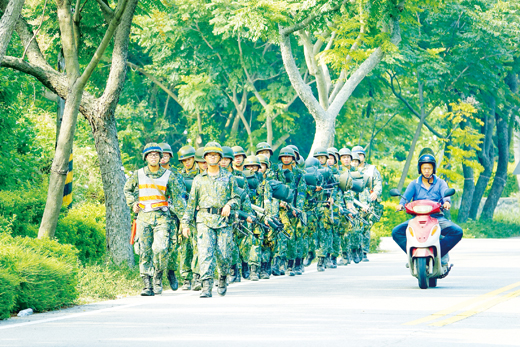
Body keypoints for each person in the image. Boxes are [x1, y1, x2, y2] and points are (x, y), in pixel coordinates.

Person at [124, 143, 186, 296]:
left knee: (161, 249)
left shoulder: (168, 175)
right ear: (145, 157)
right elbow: (127, 189)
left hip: (162, 217)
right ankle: (147, 284)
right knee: (144, 251)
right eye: (150, 154)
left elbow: (178, 199)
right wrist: (133, 203)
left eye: (156, 154)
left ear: (160, 157)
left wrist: (184, 221)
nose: (153, 157)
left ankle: (158, 275)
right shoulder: (138, 174)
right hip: (144, 217)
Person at [181, 142, 240, 298]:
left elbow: (237, 198)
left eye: (215, 154)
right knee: (205, 253)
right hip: (204, 220)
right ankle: (206, 285)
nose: (212, 157)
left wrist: (229, 204)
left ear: (220, 158)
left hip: (223, 221)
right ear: (205, 158)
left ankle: (222, 278)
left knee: (224, 254)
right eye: (209, 155)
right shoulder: (198, 180)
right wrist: (185, 223)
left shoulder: (229, 177)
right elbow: (191, 204)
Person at [391, 149, 463, 271]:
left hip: (436, 218)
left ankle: (438, 253)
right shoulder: (414, 184)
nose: (427, 171)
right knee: (396, 232)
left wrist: (446, 202)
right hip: (417, 219)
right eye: (424, 168)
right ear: (420, 169)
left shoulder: (440, 183)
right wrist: (401, 205)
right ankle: (412, 254)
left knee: (457, 231)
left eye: (429, 168)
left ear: (433, 169)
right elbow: (405, 198)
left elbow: (446, 195)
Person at [352, 145, 383, 262]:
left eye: (360, 155)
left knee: (365, 226)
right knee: (352, 227)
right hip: (352, 201)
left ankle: (364, 251)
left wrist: (376, 193)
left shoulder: (371, 169)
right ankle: (352, 251)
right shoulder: (349, 169)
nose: (359, 157)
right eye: (356, 155)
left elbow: (378, 183)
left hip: (367, 200)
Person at [177, 145, 201, 291]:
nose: (187, 162)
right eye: (184, 160)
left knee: (198, 245)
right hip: (184, 215)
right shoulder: (178, 176)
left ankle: (197, 276)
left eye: (190, 159)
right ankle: (186, 278)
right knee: (185, 247)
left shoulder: (200, 175)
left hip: (198, 214)